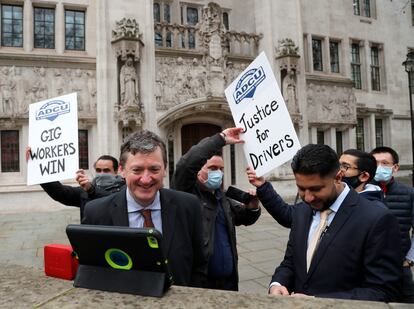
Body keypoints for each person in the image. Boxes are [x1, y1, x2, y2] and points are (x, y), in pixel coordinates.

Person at [248, 144, 402, 301]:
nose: (308, 197)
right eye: (301, 188)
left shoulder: (377, 219)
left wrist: (316, 301)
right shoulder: (302, 211)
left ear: (338, 177)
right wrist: (277, 283)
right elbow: (290, 262)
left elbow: (382, 291)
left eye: (316, 189)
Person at [82, 130, 207, 287]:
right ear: (122, 170)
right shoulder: (96, 212)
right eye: (137, 170)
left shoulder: (189, 206)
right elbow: (92, 271)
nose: (146, 179)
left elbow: (199, 266)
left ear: (165, 169)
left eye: (154, 169)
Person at [171, 127, 261, 291]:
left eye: (221, 169)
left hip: (228, 282)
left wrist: (252, 207)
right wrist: (220, 139)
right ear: (197, 171)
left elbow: (243, 217)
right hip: (201, 284)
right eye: (213, 168)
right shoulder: (187, 194)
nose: (218, 174)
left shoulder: (222, 197)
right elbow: (186, 166)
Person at [26, 147, 124, 220]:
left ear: (116, 171)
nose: (101, 174)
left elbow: (113, 201)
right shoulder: (84, 191)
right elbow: (60, 193)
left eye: (106, 170)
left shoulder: (125, 189)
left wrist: (91, 190)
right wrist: (37, 166)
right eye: (98, 170)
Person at [371, 146, 414, 303]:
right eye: (375, 163)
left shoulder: (409, 193)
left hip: (400, 267)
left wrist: (409, 259)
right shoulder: (360, 193)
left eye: (384, 163)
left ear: (395, 167)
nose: (379, 167)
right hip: (369, 267)